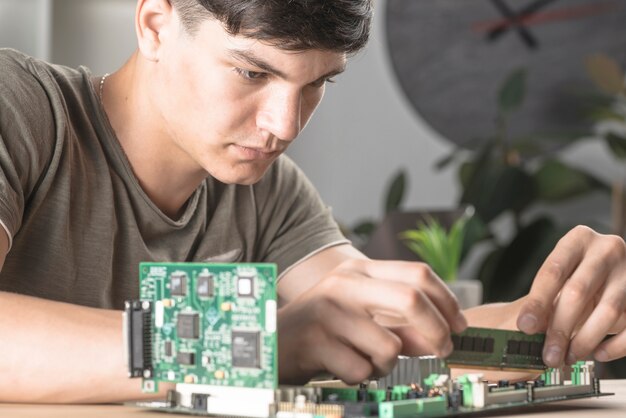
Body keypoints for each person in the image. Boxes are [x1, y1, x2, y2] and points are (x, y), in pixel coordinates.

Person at [0, 0, 624, 403]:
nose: (284, 125)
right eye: (252, 73)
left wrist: (566, 317)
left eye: (317, 84)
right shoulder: (21, 106)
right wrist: (257, 343)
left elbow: (393, 326)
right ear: (156, 24)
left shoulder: (264, 188)